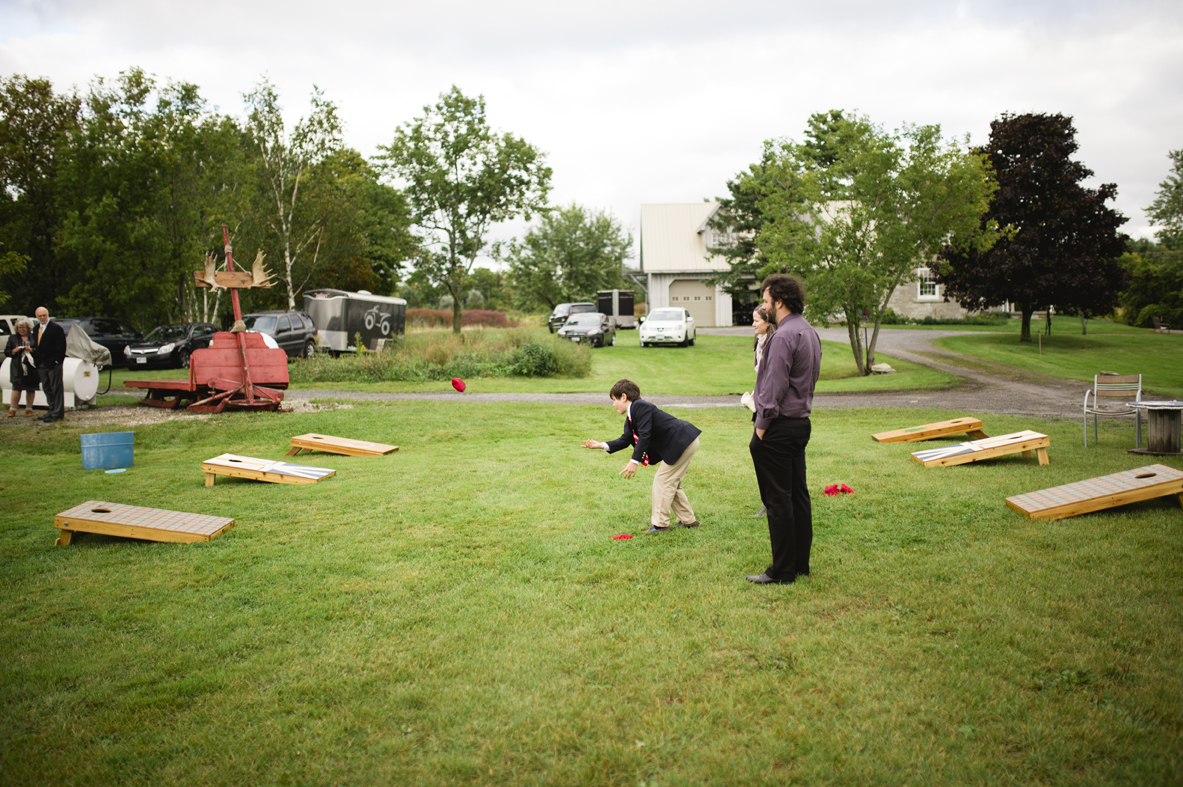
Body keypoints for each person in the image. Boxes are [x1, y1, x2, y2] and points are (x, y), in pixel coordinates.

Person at [747, 275, 821, 585]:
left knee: (778, 500)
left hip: (778, 427)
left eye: (766, 301)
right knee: (798, 496)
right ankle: (799, 564)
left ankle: (782, 571)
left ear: (779, 302)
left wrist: (761, 429)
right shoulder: (809, 331)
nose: (764, 306)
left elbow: (773, 387)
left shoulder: (783, 336)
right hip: (800, 424)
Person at [582, 379, 702, 533]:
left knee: (662, 481)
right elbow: (625, 440)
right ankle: (688, 521)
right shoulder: (631, 417)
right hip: (683, 441)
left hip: (682, 441)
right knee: (670, 482)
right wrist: (600, 445)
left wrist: (634, 461)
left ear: (623, 397)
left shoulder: (640, 406)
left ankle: (660, 525)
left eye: (614, 400)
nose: (613, 404)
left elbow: (645, 435)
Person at [742, 305, 777, 516]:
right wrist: (754, 394)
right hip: (761, 403)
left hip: (770, 408)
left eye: (756, 320)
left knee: (761, 449)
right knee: (759, 449)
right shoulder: (760, 342)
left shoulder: (775, 343)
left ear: (768, 322)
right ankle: (770, 500)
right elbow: (762, 376)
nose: (753, 324)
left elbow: (774, 379)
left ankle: (772, 501)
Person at [32, 307, 67, 423]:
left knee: (56, 388)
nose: (42, 317)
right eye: (40, 316)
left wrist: (57, 361)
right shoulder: (36, 328)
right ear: (36, 317)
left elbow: (61, 346)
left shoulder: (56, 328)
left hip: (53, 363)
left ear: (48, 315)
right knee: (46, 387)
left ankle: (57, 413)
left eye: (44, 315)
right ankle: (51, 410)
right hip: (41, 363)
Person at [6, 317, 39, 417]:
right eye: (19, 327)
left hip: (31, 366)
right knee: (16, 387)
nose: (21, 329)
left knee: (31, 388)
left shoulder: (34, 337)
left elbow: (39, 350)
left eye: (23, 327)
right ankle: (12, 409)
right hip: (17, 367)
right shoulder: (13, 338)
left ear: (28, 328)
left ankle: (29, 409)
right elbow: (7, 352)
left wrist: (31, 350)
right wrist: (14, 351)